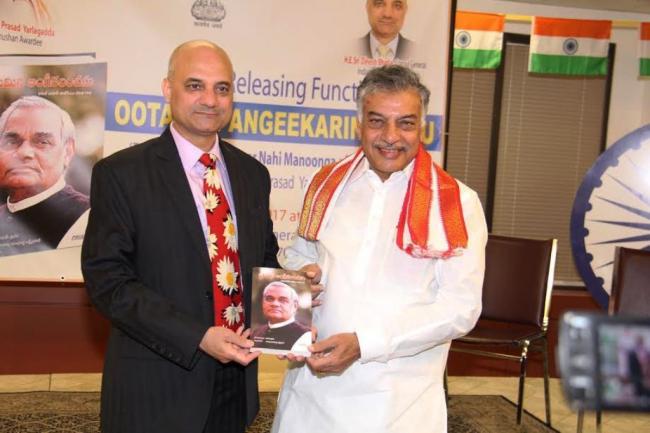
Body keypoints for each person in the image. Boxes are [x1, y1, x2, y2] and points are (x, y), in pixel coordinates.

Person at [271, 65, 487, 433]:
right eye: (377, 121)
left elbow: (460, 309)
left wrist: (365, 344)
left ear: (423, 127)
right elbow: (299, 257)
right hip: (310, 396)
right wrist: (298, 289)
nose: (390, 136)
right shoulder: (325, 185)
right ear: (359, 124)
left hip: (397, 404)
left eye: (405, 123)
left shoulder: (455, 204)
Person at [81, 40, 279, 433]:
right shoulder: (122, 174)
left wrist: (294, 294)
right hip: (156, 391)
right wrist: (198, 336)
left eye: (222, 88)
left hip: (235, 388)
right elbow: (108, 282)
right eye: (195, 86)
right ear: (167, 89)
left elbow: (263, 262)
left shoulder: (253, 175)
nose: (210, 100)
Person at [0, 95, 89, 256]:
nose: (24, 152)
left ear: (68, 152)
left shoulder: (88, 218)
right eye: (11, 142)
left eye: (42, 142)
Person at [251, 281, 311, 353]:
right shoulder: (257, 332)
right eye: (269, 299)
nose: (275, 304)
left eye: (283, 300)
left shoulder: (305, 335)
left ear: (295, 306)